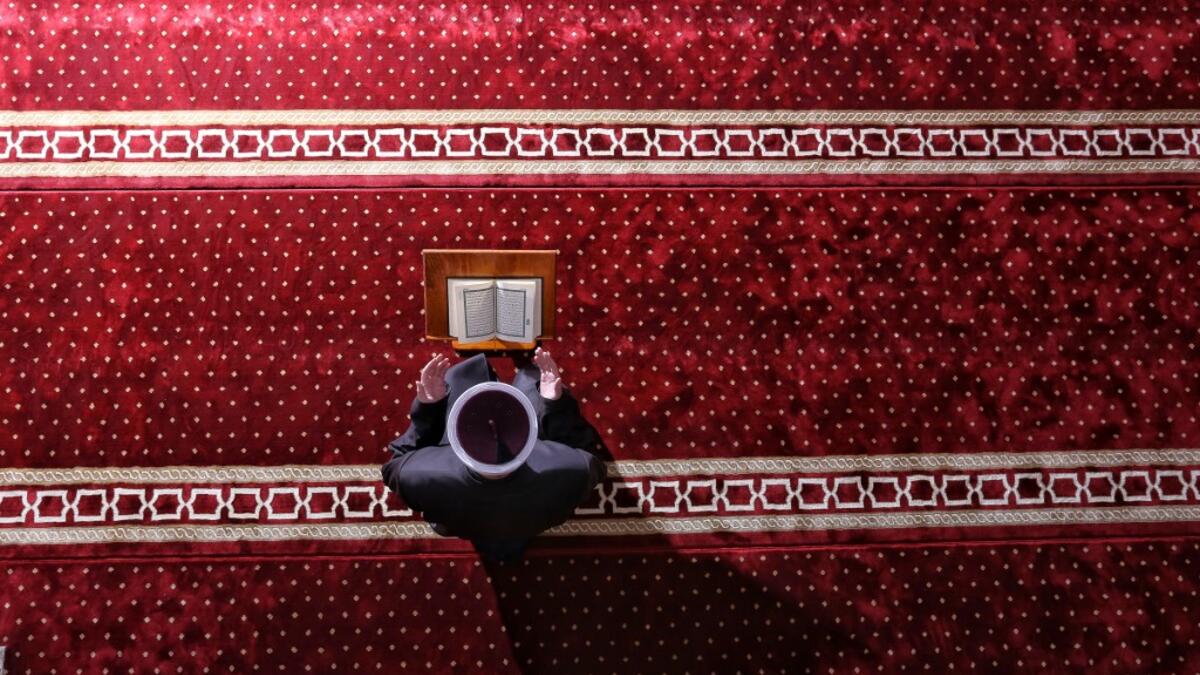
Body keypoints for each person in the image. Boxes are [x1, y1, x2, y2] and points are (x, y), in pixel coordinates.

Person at [381, 347, 606, 562]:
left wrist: (429, 409)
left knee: (460, 374)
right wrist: (554, 405)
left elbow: (398, 459)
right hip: (533, 518)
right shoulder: (568, 468)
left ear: (458, 445)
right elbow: (588, 453)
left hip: (460, 521)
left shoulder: (420, 474)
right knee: (531, 375)